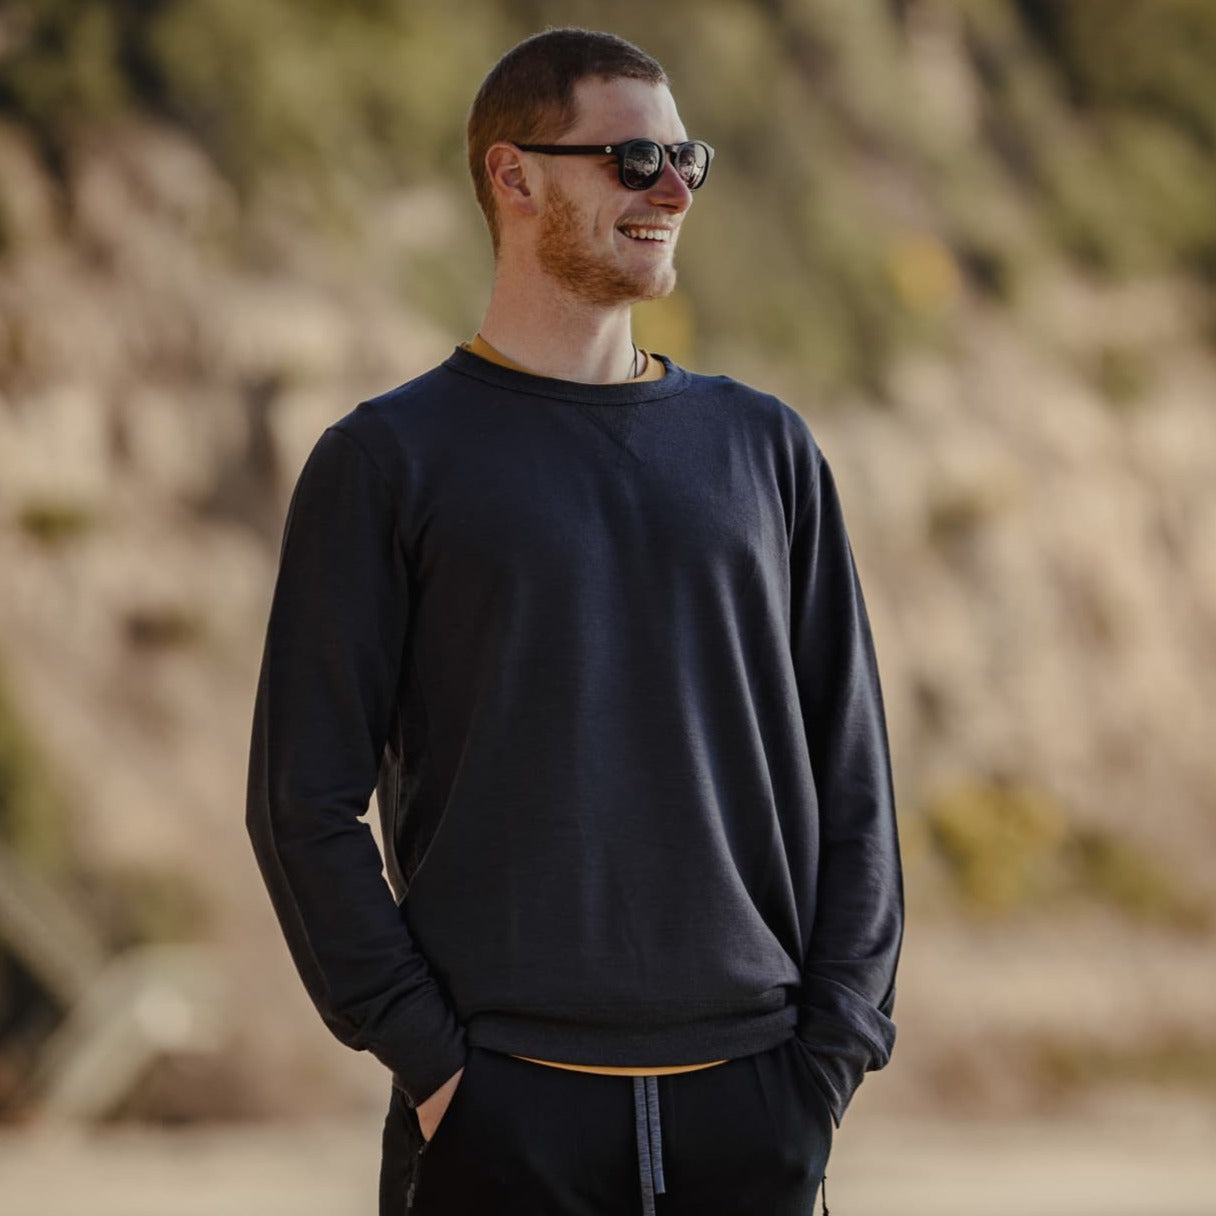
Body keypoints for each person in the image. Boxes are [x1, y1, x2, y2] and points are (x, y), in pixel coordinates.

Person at [247, 26, 902, 1216]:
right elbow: (301, 803)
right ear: (514, 175)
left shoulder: (768, 450)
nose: (671, 189)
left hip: (753, 1116)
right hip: (502, 1122)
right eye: (633, 156)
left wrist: (827, 1064)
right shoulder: (387, 461)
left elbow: (852, 786)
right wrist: (440, 1072)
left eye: (687, 159)